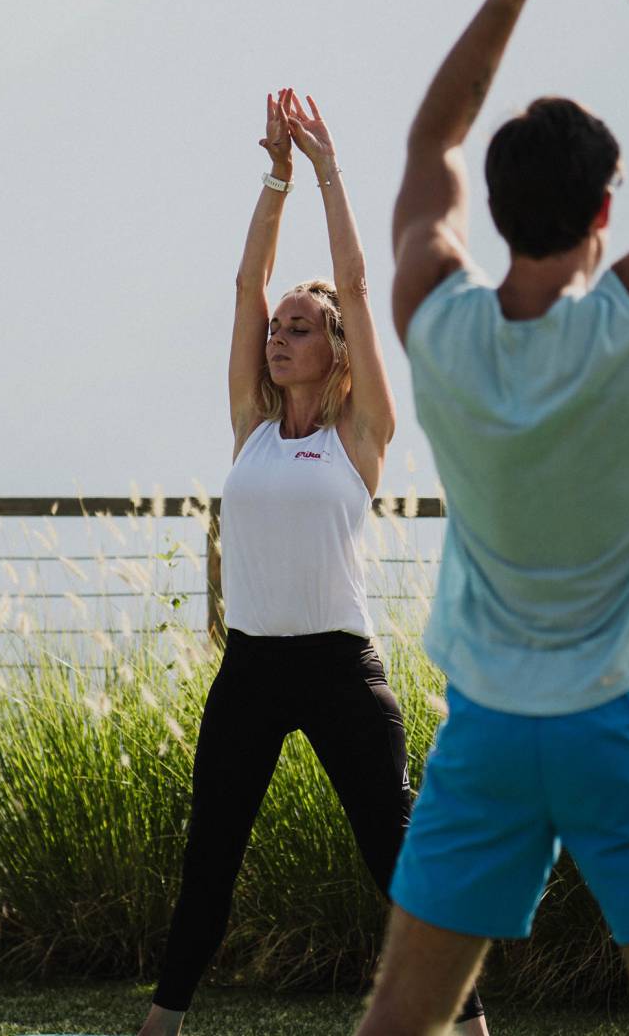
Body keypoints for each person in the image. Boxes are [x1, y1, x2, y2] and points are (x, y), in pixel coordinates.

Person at [354, 0, 629, 1034]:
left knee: (402, 1019)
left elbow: (427, 144)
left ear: (491, 205)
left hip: (487, 728)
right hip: (624, 719)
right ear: (604, 211)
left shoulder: (430, 315)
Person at [136, 90, 488, 1036]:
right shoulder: (250, 428)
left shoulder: (361, 435)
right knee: (208, 864)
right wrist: (273, 179)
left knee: (400, 865)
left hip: (339, 670)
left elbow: (357, 286)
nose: (279, 335)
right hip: (250, 669)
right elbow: (245, 284)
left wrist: (330, 174)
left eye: (300, 327)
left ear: (337, 356)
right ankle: (160, 1026)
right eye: (278, 328)